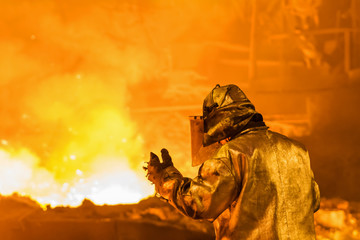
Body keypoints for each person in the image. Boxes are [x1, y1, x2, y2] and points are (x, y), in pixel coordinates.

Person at [144, 84, 320, 240]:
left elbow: (199, 203)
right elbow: (313, 201)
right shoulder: (298, 150)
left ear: (220, 123)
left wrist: (164, 178)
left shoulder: (232, 153)